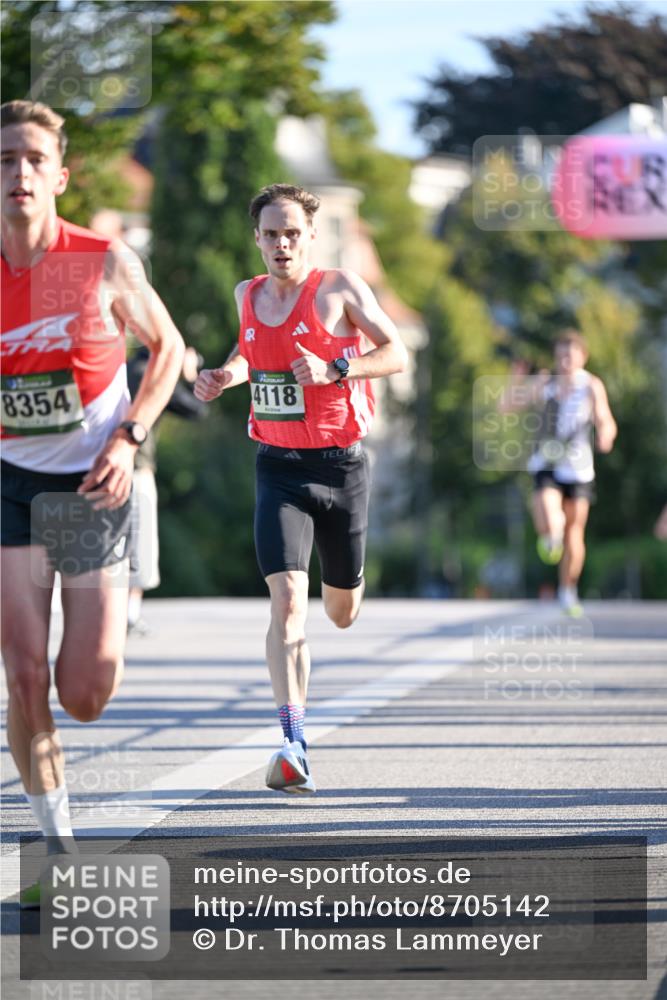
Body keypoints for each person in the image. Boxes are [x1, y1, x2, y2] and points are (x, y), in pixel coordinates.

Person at [1, 100, 184, 893]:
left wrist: (129, 435)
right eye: (5, 159)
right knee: (21, 671)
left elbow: (168, 347)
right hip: (9, 482)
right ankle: (55, 846)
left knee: (85, 693)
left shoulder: (102, 260)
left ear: (60, 174)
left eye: (34, 158)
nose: (19, 173)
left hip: (89, 484)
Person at [194, 183, 407, 794]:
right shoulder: (248, 294)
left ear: (310, 235)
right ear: (256, 238)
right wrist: (225, 376)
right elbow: (250, 352)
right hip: (279, 468)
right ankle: (293, 742)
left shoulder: (340, 289)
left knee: (340, 612)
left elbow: (395, 354)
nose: (282, 244)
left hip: (343, 468)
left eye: (292, 233)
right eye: (271, 234)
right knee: (287, 605)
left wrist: (337, 367)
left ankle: (347, 588)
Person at [502, 329, 617, 616]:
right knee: (552, 517)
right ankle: (550, 533)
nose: (565, 359)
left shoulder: (591, 385)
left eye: (571, 354)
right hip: (548, 462)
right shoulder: (546, 383)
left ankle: (568, 590)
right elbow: (506, 407)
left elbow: (605, 418)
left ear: (582, 357)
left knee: (574, 535)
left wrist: (606, 434)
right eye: (561, 354)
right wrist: (516, 379)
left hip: (579, 469)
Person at [126, 343, 206, 634]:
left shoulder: (121, 370)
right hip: (135, 469)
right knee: (140, 545)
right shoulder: (157, 374)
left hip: (92, 470)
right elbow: (197, 410)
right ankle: (130, 614)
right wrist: (189, 374)